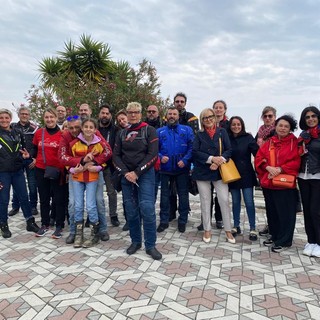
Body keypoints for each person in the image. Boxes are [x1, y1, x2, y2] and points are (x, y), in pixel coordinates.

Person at [113, 102, 162, 260]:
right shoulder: (121, 134)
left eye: (136, 112)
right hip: (127, 176)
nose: (133, 115)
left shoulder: (149, 130)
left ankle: (150, 245)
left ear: (141, 114)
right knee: (131, 211)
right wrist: (127, 173)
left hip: (145, 174)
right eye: (130, 112)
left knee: (147, 208)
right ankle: (135, 242)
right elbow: (116, 156)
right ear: (126, 114)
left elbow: (153, 154)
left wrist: (137, 172)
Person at [59, 115, 112, 244]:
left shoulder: (96, 135)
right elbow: (62, 157)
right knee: (74, 204)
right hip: (76, 174)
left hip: (93, 175)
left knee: (96, 202)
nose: (74, 130)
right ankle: (75, 232)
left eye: (77, 127)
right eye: (71, 128)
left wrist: (97, 164)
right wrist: (78, 164)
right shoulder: (67, 138)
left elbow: (107, 152)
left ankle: (101, 230)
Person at [255, 115, 300, 253]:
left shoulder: (294, 142)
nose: (283, 128)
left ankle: (284, 241)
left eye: (286, 126)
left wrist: (280, 169)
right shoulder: (270, 142)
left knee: (285, 214)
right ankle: (275, 236)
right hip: (269, 184)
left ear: (290, 128)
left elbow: (296, 161)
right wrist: (268, 167)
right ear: (276, 126)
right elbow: (259, 157)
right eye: (280, 125)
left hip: (285, 185)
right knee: (272, 212)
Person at [192, 108, 235, 244]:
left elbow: (229, 150)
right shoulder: (199, 134)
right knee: (205, 201)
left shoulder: (222, 132)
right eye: (205, 118)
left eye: (210, 116)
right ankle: (207, 229)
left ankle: (228, 230)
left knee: (224, 200)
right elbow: (195, 152)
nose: (208, 119)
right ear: (202, 121)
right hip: (203, 171)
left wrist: (219, 160)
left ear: (215, 117)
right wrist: (211, 159)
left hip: (219, 171)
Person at [0, 108, 40, 238]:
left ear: (10, 119)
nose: (4, 120)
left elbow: (23, 150)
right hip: (3, 173)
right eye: (1, 118)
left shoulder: (17, 132)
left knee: (24, 197)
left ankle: (30, 221)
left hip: (17, 171)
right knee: (4, 200)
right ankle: (4, 225)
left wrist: (27, 156)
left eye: (6, 117)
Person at [157, 106, 194, 233]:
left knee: (183, 195)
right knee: (164, 196)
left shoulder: (187, 130)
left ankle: (182, 220)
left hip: (181, 169)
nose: (172, 116)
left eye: (174, 114)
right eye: (170, 114)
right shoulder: (160, 131)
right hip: (165, 169)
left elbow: (192, 147)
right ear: (166, 116)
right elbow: (153, 149)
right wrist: (160, 157)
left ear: (178, 116)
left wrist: (185, 160)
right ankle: (164, 220)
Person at [32, 107, 67, 239]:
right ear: (44, 118)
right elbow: (34, 149)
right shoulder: (39, 133)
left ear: (56, 118)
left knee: (59, 199)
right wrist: (31, 157)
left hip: (58, 170)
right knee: (44, 198)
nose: (49, 119)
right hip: (41, 169)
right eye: (47, 117)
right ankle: (45, 224)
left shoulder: (63, 134)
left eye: (51, 117)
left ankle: (59, 226)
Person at [228, 116, 259, 241]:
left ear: (242, 125)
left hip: (246, 174)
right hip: (232, 174)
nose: (236, 127)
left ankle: (252, 228)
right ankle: (236, 226)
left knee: (249, 202)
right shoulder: (227, 138)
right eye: (233, 124)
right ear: (230, 126)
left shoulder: (248, 137)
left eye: (238, 124)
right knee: (235, 202)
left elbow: (258, 153)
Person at [297, 106, 320, 257]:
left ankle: (318, 242)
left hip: (317, 176)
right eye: (307, 117)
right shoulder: (303, 135)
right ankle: (311, 241)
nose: (310, 119)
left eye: (313, 116)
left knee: (315, 211)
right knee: (307, 210)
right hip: (303, 176)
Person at [9, 107, 39, 216]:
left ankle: (33, 206)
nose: (24, 115)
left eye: (26, 114)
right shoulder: (12, 127)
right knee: (17, 184)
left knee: (32, 184)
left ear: (29, 115)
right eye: (22, 114)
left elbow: (38, 145)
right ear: (18, 114)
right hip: (17, 160)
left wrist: (36, 158)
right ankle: (15, 206)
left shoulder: (35, 128)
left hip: (31, 159)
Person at [255, 106, 277, 237]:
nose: (268, 118)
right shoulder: (260, 132)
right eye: (265, 116)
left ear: (275, 117)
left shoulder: (278, 131)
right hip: (263, 171)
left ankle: (275, 227)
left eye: (270, 116)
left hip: (275, 170)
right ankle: (270, 225)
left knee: (276, 201)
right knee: (268, 201)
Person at [98, 104, 120, 227]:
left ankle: (113, 215)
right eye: (103, 113)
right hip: (95, 166)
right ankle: (94, 216)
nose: (105, 115)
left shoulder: (116, 130)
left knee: (112, 192)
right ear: (99, 114)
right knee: (96, 193)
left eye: (107, 113)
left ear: (111, 116)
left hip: (110, 166)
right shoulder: (93, 128)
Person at [145, 104, 162, 201]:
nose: (151, 113)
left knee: (154, 188)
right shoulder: (142, 126)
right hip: (144, 162)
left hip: (157, 163)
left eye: (153, 111)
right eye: (149, 111)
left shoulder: (163, 126)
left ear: (158, 113)